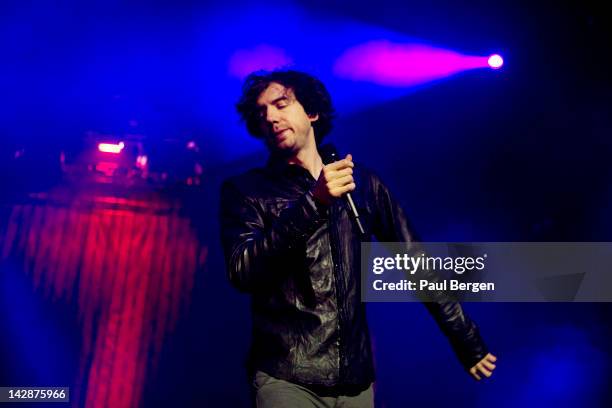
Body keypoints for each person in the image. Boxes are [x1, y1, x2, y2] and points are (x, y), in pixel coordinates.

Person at [220, 70, 497, 407]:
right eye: (262, 112)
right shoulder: (246, 191)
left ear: (311, 112)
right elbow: (242, 271)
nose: (271, 117)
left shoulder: (362, 184)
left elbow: (417, 263)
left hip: (355, 381)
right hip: (285, 374)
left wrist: (465, 339)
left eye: (281, 104)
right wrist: (313, 203)